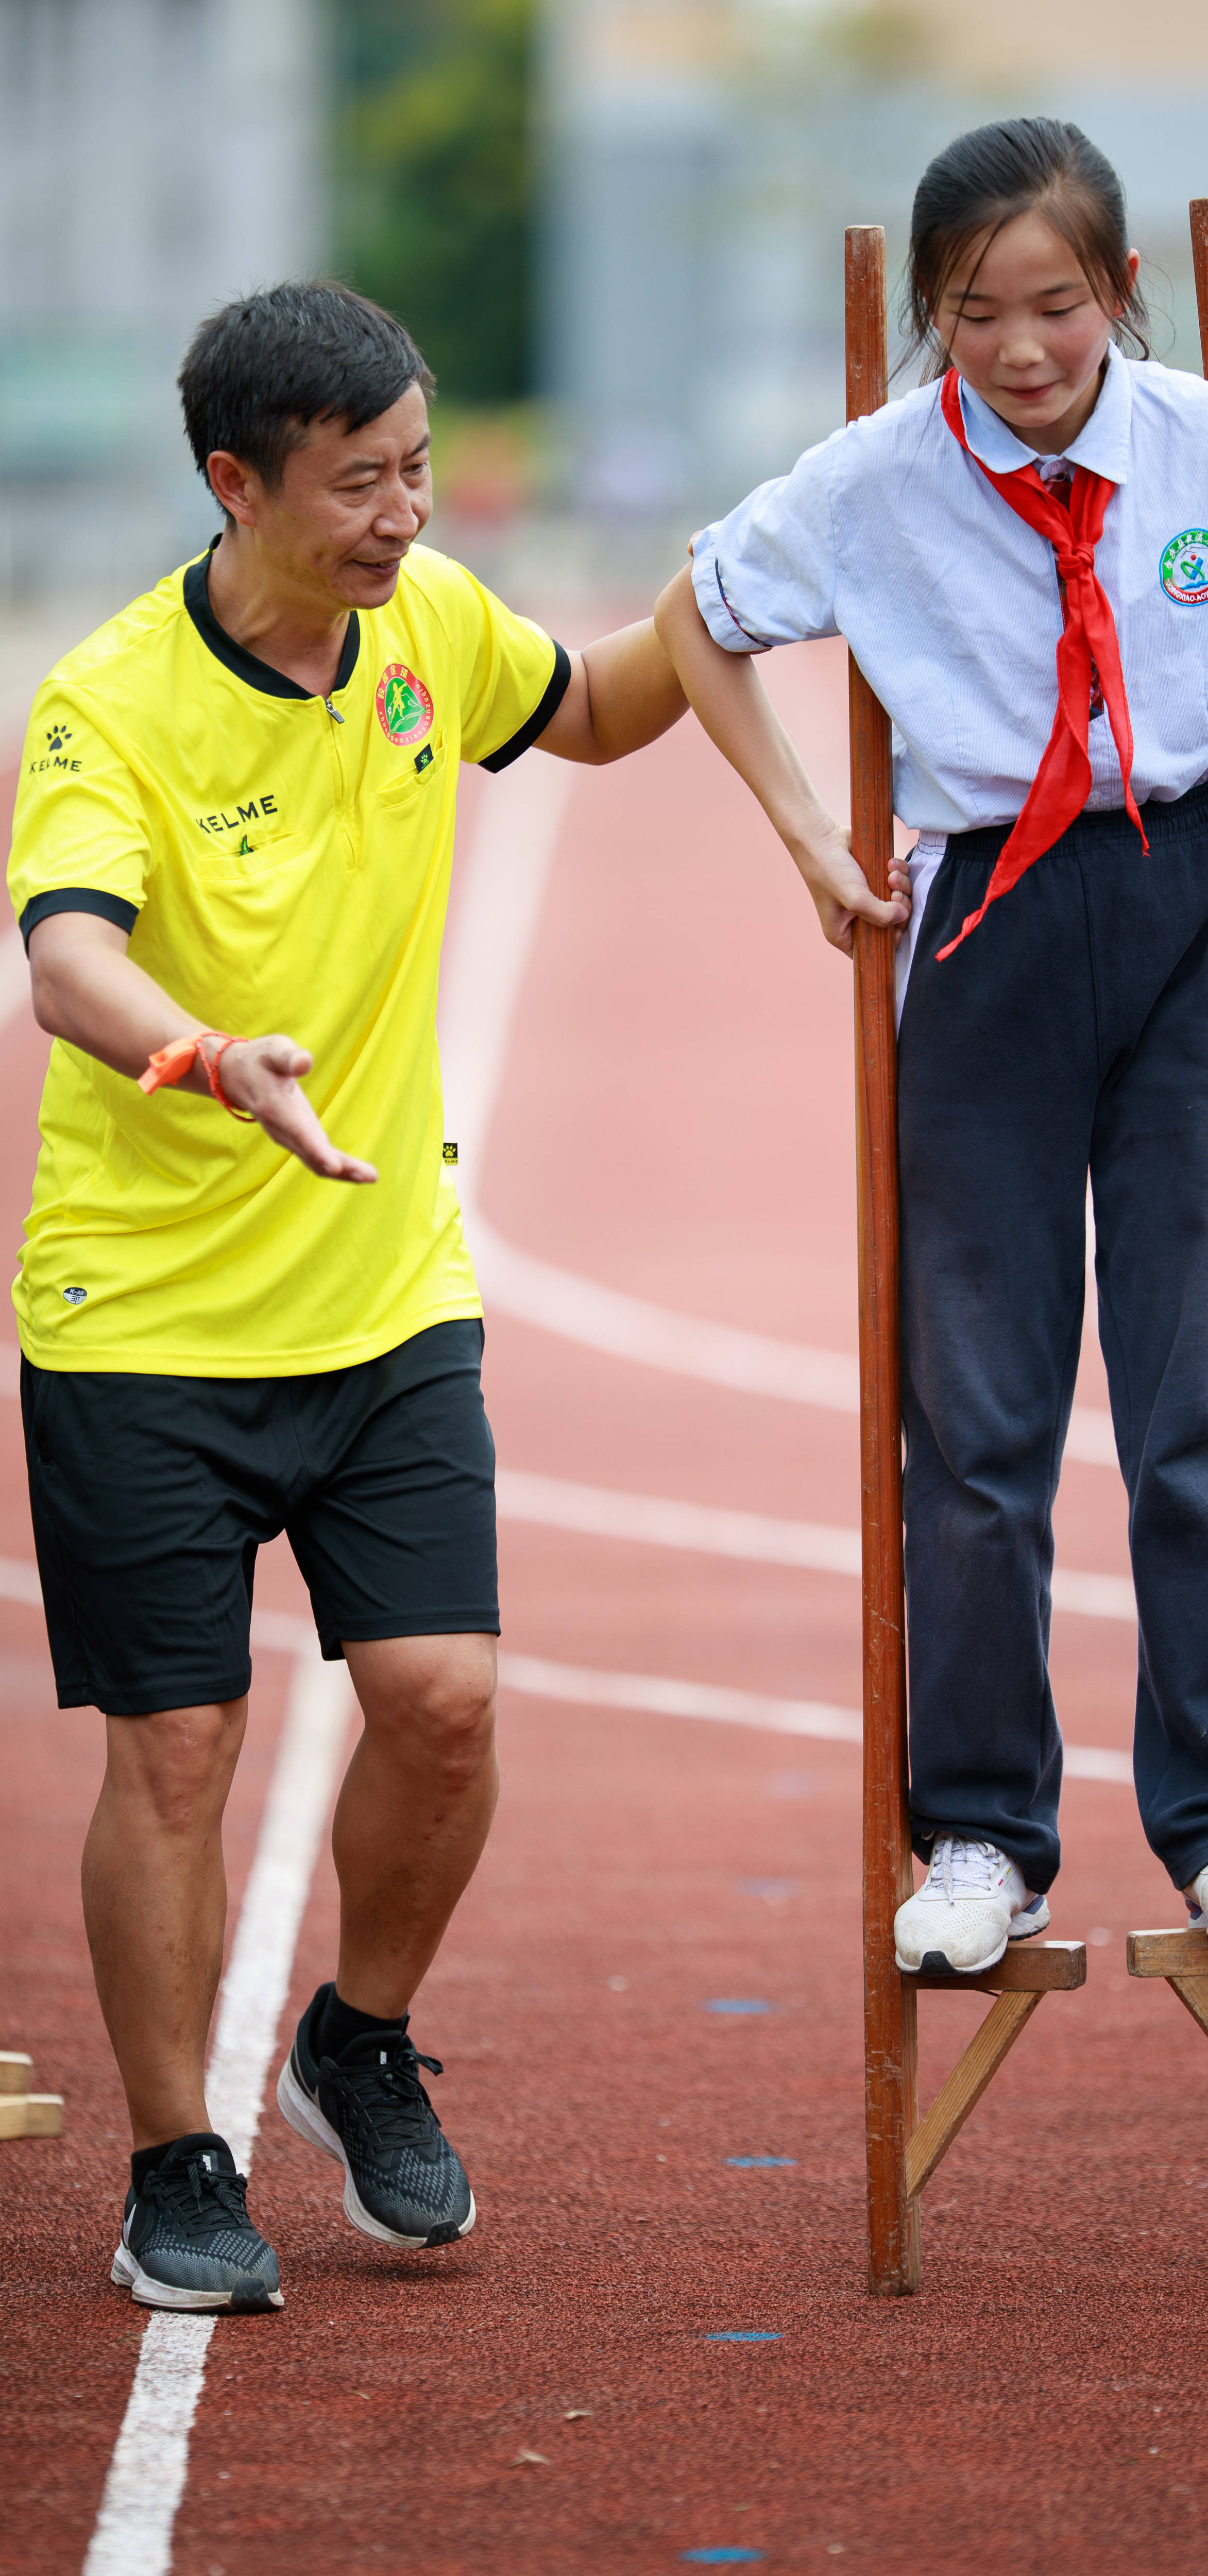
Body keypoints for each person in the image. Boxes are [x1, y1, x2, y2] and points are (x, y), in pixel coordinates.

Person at [657, 119, 1208, 1976]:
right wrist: (804, 836)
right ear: (934, 314)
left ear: (1122, 293)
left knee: (1203, 1399)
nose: (1021, 351)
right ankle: (982, 1838)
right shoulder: (871, 480)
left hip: (1188, 905)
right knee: (980, 1422)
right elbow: (699, 619)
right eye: (975, 315)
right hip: (984, 926)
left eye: (1057, 305)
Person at [9, 281, 686, 2311]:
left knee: (448, 1705)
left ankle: (357, 2039)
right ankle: (172, 2157)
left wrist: (772, 573)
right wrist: (210, 1057)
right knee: (180, 1750)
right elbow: (64, 953)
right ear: (238, 482)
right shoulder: (112, 699)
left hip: (384, 1293)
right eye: (360, 480)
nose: (406, 510)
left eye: (416, 463)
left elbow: (600, 701)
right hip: (144, 1315)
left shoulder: (429, 629)